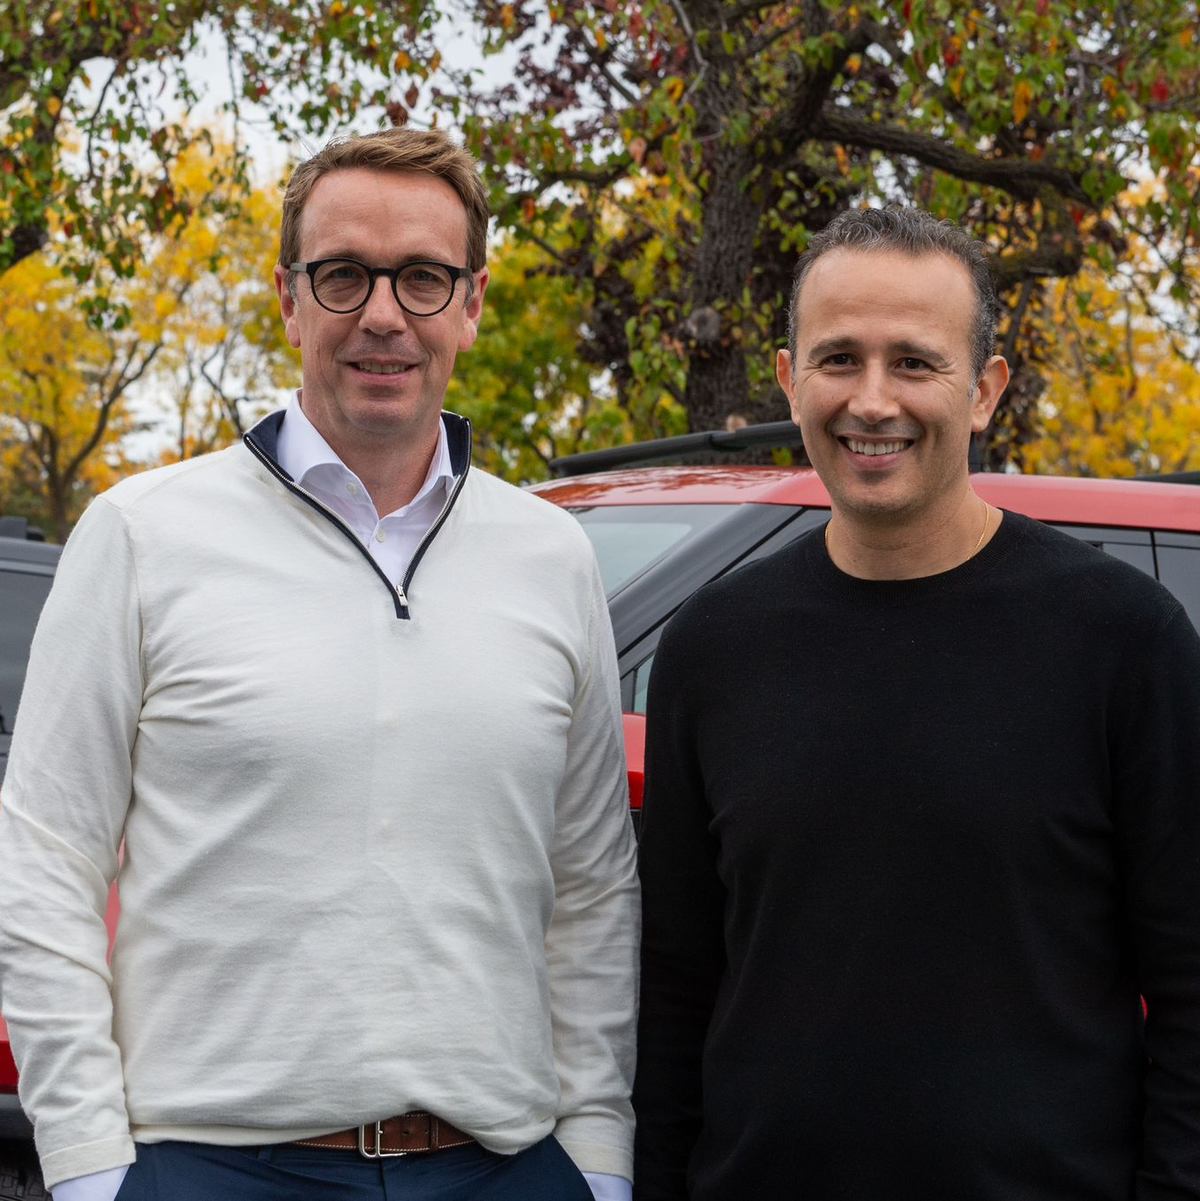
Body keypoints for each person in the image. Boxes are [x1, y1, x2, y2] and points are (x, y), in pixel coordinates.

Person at [0, 128, 639, 1201]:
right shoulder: (143, 535)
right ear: (291, 299)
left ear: (472, 302)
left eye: (423, 278)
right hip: (208, 1167)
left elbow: (590, 892)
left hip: (504, 1170)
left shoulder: (550, 555)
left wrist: (600, 1159)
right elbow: (44, 862)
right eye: (344, 275)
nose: (383, 314)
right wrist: (89, 1169)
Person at [631, 207, 1200, 1200]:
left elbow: (1194, 989)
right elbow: (676, 991)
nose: (873, 399)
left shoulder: (1125, 642)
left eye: (915, 362)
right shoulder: (712, 650)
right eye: (839, 358)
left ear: (984, 389)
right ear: (788, 378)